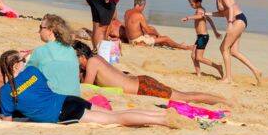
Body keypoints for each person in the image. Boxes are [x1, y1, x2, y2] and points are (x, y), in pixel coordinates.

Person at [0, 50, 184, 128]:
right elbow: (40, 91)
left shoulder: (6, 92)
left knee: (115, 119)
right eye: (22, 60)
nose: (25, 62)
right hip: (69, 100)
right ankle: (161, 114)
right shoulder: (33, 72)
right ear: (16, 65)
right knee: (117, 113)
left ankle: (163, 120)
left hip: (64, 112)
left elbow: (8, 122)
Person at [73, 41, 229, 106]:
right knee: (184, 95)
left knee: (184, 98)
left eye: (75, 59)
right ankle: (220, 99)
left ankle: (224, 101)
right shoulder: (96, 58)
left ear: (82, 56)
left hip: (142, 87)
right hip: (140, 82)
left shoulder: (92, 62)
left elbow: (87, 87)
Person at [202, 0, 262, 85]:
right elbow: (222, 13)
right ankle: (256, 71)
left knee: (224, 48)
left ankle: (228, 78)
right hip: (237, 21)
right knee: (233, 51)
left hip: (238, 20)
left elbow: (230, 7)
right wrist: (206, 13)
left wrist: (229, 23)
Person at [26, 14, 81, 96]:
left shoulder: (40, 51)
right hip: (74, 97)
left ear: (50, 30)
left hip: (52, 98)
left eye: (41, 27)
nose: (39, 31)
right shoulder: (71, 50)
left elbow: (27, 75)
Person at [180, 0, 223, 77]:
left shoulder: (200, 10)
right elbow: (210, 20)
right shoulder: (201, 10)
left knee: (199, 57)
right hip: (200, 37)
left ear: (198, 2)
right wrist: (215, 31)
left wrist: (188, 18)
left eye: (192, 4)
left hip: (203, 37)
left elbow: (199, 16)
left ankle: (218, 66)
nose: (191, 6)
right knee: (193, 56)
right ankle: (198, 74)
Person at [123, 0, 191, 50]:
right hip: (139, 41)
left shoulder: (127, 12)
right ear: (140, 5)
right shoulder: (139, 15)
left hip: (131, 40)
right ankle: (183, 47)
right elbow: (148, 31)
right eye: (143, 6)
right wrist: (157, 33)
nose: (143, 9)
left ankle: (175, 45)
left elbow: (132, 26)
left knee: (154, 33)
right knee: (165, 38)